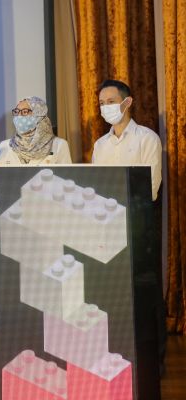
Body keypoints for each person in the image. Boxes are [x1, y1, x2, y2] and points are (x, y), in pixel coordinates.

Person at [93, 78, 165, 374]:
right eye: (101, 103)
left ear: (127, 102)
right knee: (114, 292)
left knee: (146, 293)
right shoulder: (100, 145)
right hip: (107, 229)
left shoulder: (147, 138)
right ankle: (120, 352)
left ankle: (154, 359)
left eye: (111, 102)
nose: (106, 108)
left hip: (138, 226)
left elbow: (151, 187)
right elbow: (96, 188)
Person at [0, 96, 72, 165]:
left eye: (25, 112)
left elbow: (66, 175)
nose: (19, 116)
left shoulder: (59, 145)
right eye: (16, 112)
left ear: (39, 115)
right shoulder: (5, 146)